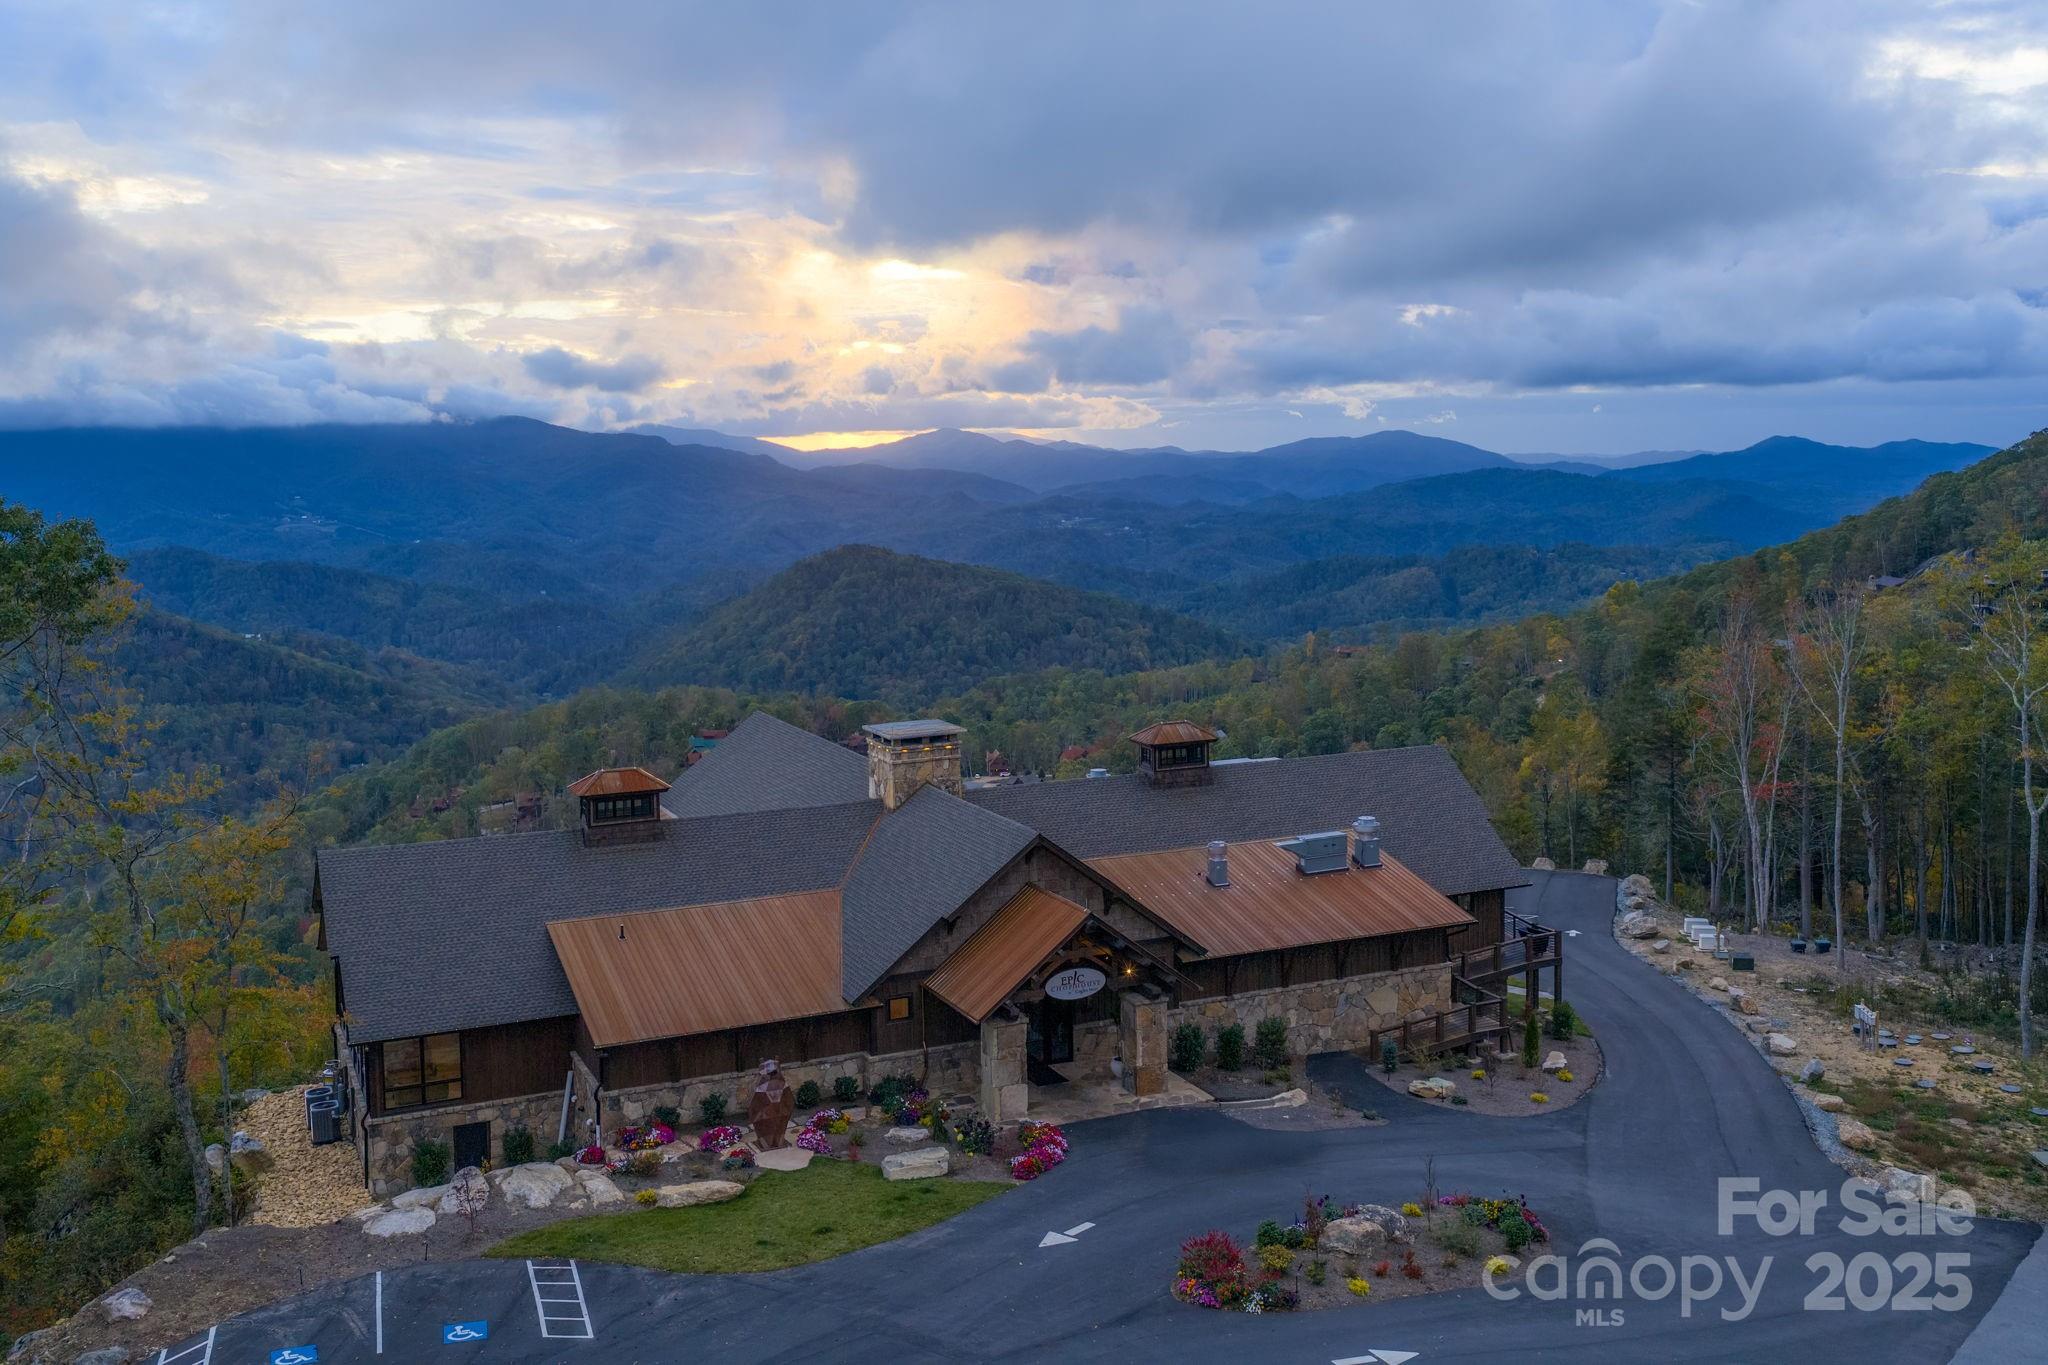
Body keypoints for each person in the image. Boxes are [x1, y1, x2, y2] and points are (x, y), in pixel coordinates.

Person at [747, 1059, 795, 1149]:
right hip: (767, 1117)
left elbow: (752, 1107)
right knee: (769, 1135)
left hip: (778, 1115)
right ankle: (771, 1143)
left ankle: (776, 1142)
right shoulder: (763, 1087)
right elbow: (753, 1107)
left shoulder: (780, 1085)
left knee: (777, 1132)